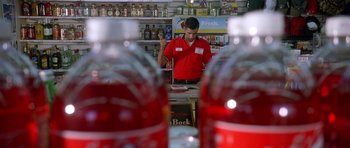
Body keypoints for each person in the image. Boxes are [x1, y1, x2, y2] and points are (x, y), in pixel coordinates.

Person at [158, 17, 212, 84]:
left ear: (197, 30)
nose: (191, 36)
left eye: (194, 33)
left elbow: (211, 65)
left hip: (197, 83)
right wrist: (162, 47)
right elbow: (160, 63)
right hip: (178, 83)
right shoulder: (174, 42)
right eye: (189, 33)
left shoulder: (204, 44)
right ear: (184, 29)